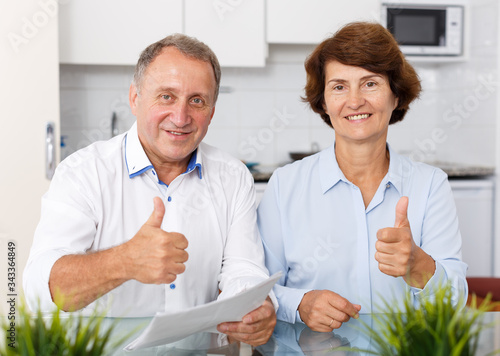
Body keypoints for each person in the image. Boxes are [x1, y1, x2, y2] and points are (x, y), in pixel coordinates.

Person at [23, 33, 276, 346]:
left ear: (211, 112)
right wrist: (124, 261)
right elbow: (39, 289)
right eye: (166, 96)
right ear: (134, 98)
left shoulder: (233, 176)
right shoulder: (83, 173)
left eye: (196, 100)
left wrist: (254, 307)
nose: (181, 117)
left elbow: (244, 269)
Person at [257, 22, 468, 332]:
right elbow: (255, 289)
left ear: (395, 96)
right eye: (339, 86)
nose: (354, 101)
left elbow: (455, 303)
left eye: (370, 84)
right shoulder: (284, 186)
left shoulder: (430, 185)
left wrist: (418, 266)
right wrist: (300, 304)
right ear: (324, 102)